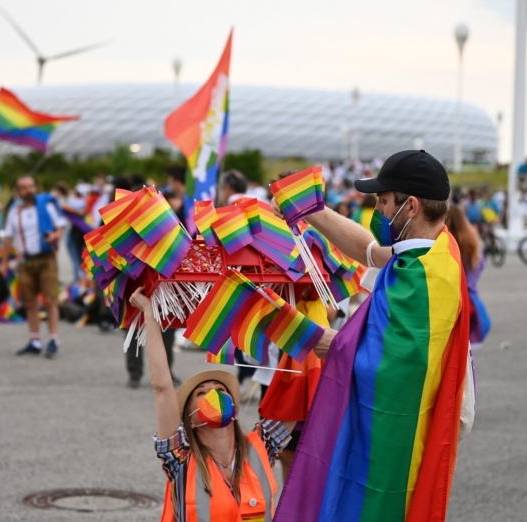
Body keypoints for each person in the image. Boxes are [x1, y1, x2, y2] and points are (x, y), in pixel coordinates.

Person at [271, 150, 474, 521]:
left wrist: (270, 316)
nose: (378, 210)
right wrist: (310, 211)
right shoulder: (436, 248)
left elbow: (371, 364)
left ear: (410, 206)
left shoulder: (424, 282)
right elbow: (369, 251)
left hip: (393, 442)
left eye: (383, 201)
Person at [128, 287, 291, 522]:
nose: (213, 394)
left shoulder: (262, 446)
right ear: (190, 418)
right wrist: (149, 314)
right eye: (202, 393)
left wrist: (291, 313)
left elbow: (294, 394)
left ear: (233, 410)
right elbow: (162, 388)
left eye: (220, 390)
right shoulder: (180, 457)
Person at [0, 176, 66, 358]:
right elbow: (8, 237)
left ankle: (53, 339)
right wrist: (4, 262)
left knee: (50, 299)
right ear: (18, 192)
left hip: (46, 259)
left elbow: (60, 226)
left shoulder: (45, 205)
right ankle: (35, 340)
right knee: (29, 302)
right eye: (24, 188)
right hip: (25, 261)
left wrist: (54, 236)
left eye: (31, 186)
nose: (29, 190)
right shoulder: (14, 211)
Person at [446, 205, 491, 348]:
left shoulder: (445, 242)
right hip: (471, 298)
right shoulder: (473, 242)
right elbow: (480, 266)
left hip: (450, 299)